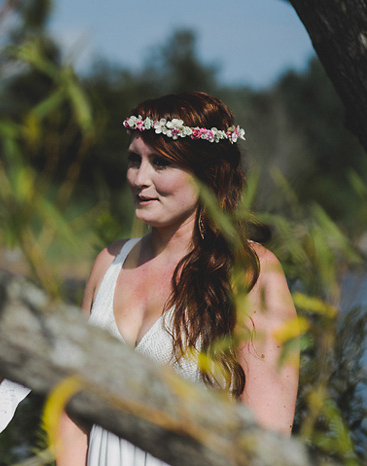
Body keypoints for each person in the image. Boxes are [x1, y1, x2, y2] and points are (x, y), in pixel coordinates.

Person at [56, 92, 299, 465]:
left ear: (207, 173)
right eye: (134, 160)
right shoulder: (108, 263)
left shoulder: (249, 272)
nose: (140, 178)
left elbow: (267, 436)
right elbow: (73, 406)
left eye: (161, 163)